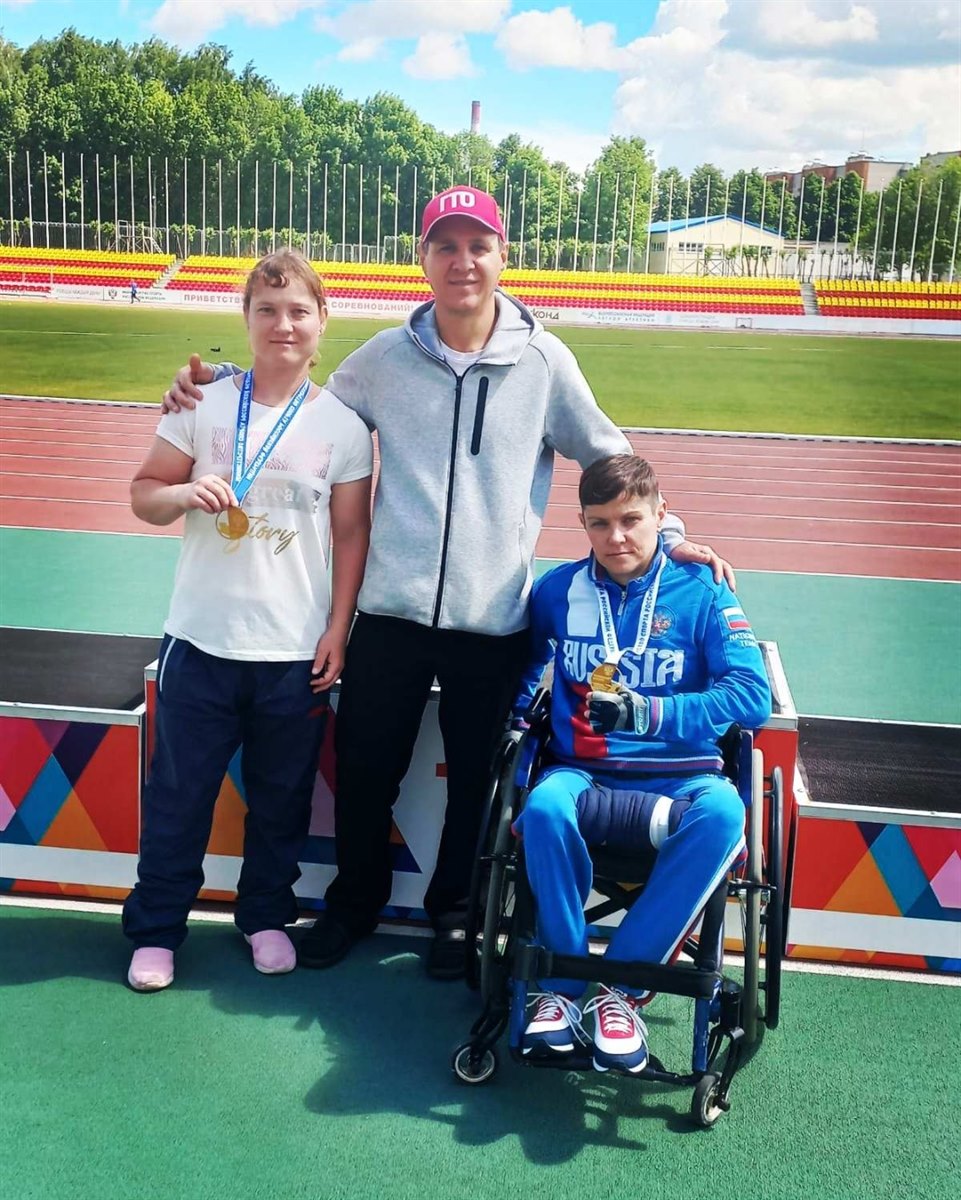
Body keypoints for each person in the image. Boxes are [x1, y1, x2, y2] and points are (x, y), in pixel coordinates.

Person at [161, 185, 734, 981]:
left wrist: (665, 535)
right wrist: (221, 382)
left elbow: (608, 455)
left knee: (477, 782)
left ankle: (456, 916)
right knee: (366, 773)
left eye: (477, 246)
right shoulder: (384, 358)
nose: (462, 261)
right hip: (389, 613)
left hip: (491, 619)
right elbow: (297, 401)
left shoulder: (544, 362)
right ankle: (353, 905)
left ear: (502, 256)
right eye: (445, 246)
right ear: (423, 259)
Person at [123, 250, 372, 991]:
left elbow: (351, 533)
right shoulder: (201, 403)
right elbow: (143, 493)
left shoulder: (343, 426)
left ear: (321, 321)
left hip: (292, 650)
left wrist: (338, 628)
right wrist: (183, 493)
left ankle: (265, 916)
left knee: (281, 801)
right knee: (178, 799)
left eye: (298, 311)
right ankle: (157, 929)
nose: (282, 325)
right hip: (201, 640)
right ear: (246, 319)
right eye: (267, 310)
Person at [513, 453, 771, 1073]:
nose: (616, 538)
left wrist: (649, 714)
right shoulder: (557, 590)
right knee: (541, 807)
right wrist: (515, 717)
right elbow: (526, 662)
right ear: (582, 522)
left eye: (631, 520)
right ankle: (561, 988)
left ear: (661, 515)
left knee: (724, 815)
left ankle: (620, 992)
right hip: (584, 775)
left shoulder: (703, 590)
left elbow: (751, 697)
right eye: (599, 523)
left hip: (683, 781)